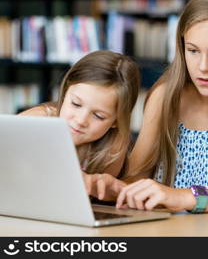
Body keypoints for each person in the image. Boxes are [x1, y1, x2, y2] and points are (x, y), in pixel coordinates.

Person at [88, 0, 208, 213]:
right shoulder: (166, 97)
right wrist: (116, 188)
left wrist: (186, 197)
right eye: (193, 50)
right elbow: (137, 175)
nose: (203, 67)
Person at [20, 50, 140, 178]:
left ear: (116, 121)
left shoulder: (113, 148)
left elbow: (100, 196)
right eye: (76, 104)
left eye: (98, 116)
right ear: (65, 91)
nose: (81, 120)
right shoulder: (36, 120)